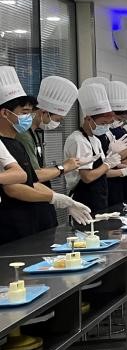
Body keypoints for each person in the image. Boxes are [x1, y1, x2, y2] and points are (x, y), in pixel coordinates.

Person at [0, 67, 90, 243]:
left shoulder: (15, 143)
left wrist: (63, 200)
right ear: (5, 113)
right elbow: (13, 187)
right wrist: (54, 196)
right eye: (25, 113)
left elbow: (29, 179)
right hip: (11, 225)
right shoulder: (12, 140)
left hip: (30, 220)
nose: (29, 117)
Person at [65, 82, 127, 217]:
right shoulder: (78, 140)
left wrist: (114, 161)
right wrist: (108, 164)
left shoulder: (95, 139)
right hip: (84, 198)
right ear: (88, 119)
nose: (106, 127)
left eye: (108, 124)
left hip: (99, 197)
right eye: (103, 123)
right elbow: (87, 177)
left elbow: (100, 171)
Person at [22, 75, 80, 184]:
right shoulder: (24, 135)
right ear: (44, 112)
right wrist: (64, 167)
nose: (57, 124)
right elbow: (35, 175)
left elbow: (40, 168)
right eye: (57, 120)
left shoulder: (35, 134)